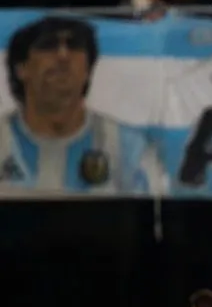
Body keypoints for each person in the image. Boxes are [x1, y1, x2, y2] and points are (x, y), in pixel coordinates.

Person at [0, 16, 164, 193]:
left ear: (88, 69)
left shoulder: (128, 146)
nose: (63, 55)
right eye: (48, 45)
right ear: (21, 68)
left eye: (74, 45)